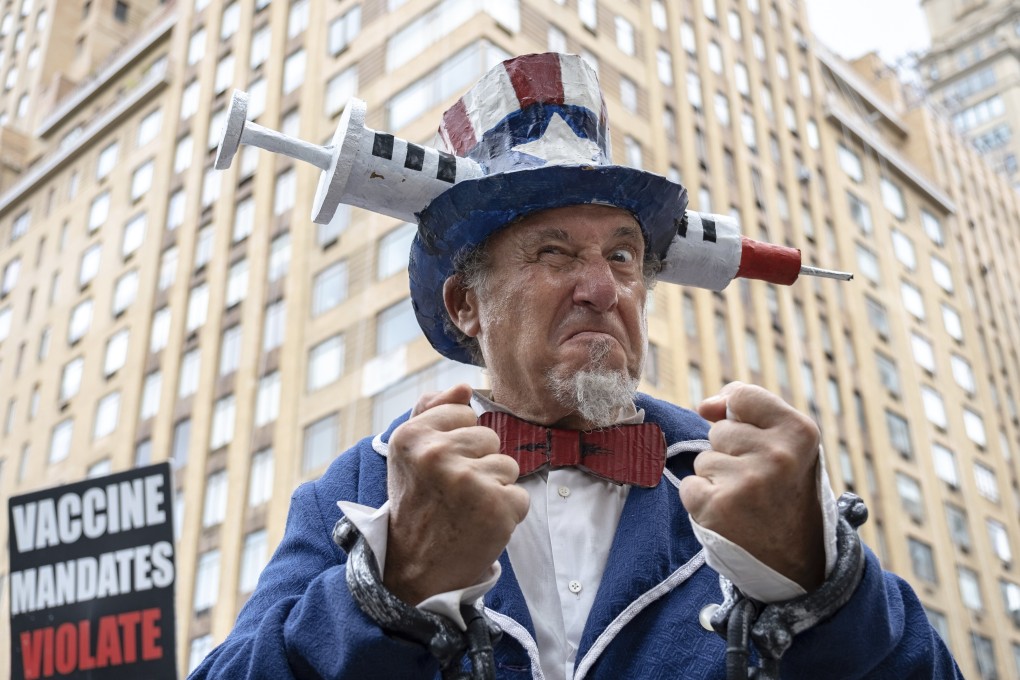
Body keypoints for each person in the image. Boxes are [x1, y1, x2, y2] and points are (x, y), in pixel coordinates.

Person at [192, 53, 960, 679]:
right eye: (553, 253)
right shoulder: (362, 484)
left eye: (623, 255)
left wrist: (826, 586)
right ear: (466, 305)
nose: (602, 288)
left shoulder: (750, 478)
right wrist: (387, 595)